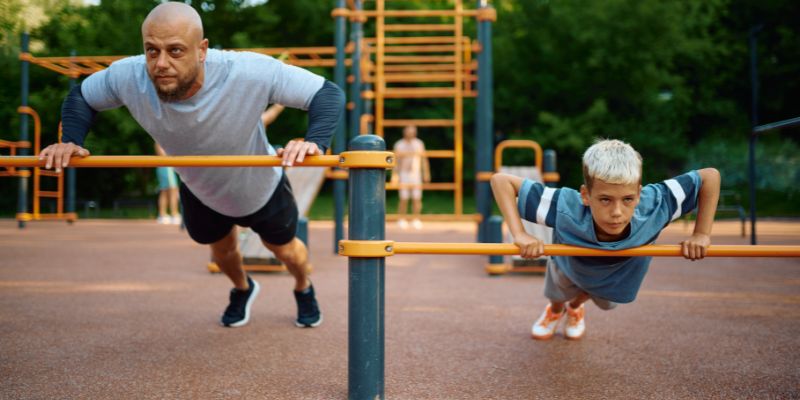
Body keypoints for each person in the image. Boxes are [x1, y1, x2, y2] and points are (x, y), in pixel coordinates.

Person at [38, 2, 345, 329]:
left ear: (202, 50)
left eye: (175, 51)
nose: (161, 63)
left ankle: (303, 286)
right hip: (201, 188)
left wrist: (314, 141)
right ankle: (242, 288)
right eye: (152, 51)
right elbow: (82, 96)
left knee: (285, 252)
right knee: (222, 254)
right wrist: (71, 138)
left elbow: (326, 93)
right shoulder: (129, 75)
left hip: (258, 185)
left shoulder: (246, 71)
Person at [491, 139, 720, 340]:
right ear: (585, 195)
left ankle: (575, 308)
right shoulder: (566, 206)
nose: (617, 212)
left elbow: (709, 177)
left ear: (639, 194)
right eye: (605, 200)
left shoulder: (655, 205)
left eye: (628, 199)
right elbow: (501, 181)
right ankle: (555, 310)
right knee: (557, 292)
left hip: (616, 276)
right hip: (570, 264)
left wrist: (701, 233)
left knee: (604, 300)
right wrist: (520, 234)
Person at [391, 125, 430, 229]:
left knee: (417, 198)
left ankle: (416, 219)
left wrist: (426, 173)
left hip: (416, 174)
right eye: (409, 131)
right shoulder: (399, 144)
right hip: (403, 173)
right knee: (403, 198)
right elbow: (396, 162)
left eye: (413, 132)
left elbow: (423, 159)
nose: (411, 133)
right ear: (404, 132)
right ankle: (401, 219)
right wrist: (394, 175)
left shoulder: (419, 143)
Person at [154, 142, 181, 225]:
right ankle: (173, 214)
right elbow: (162, 154)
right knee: (172, 190)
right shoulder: (159, 141)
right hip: (166, 167)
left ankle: (163, 214)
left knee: (165, 191)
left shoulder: (159, 140)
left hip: (165, 166)